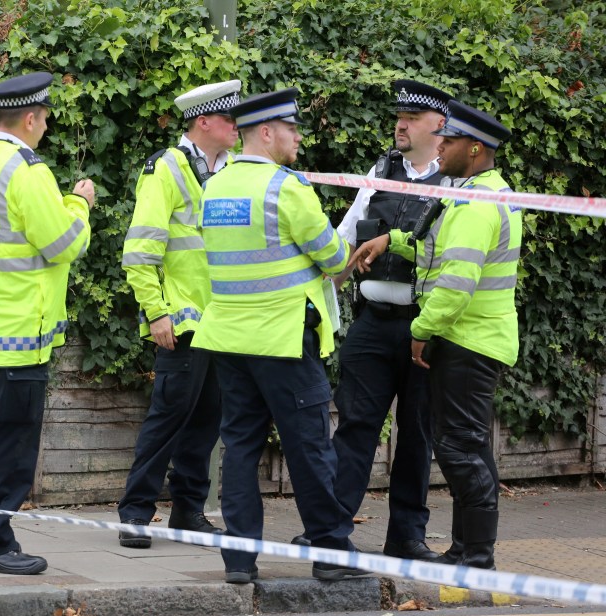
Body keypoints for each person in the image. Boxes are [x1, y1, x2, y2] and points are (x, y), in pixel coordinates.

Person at [192, 88, 366, 583]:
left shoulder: (215, 187)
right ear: (266, 133)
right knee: (310, 447)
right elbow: (333, 257)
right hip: (284, 341)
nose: (298, 138)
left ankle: (239, 562)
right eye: (291, 129)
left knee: (240, 448)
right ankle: (332, 554)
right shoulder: (285, 188)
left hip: (229, 339)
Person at [353, 100, 519, 570]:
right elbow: (435, 250)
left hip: (467, 341)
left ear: (475, 148)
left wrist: (421, 331)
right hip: (477, 339)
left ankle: (478, 556)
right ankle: (467, 550)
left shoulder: (476, 204)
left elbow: (456, 282)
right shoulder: (473, 193)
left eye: (449, 142)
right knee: (467, 446)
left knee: (459, 448)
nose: (440, 147)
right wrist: (393, 239)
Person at [0, 71, 94, 575]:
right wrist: (79, 203)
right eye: (46, 118)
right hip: (19, 333)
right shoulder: (27, 172)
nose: (47, 127)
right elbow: (64, 244)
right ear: (29, 119)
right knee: (9, 444)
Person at [318, 80, 454, 562]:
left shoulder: (456, 184)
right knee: (354, 426)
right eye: (399, 115)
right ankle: (330, 532)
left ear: (439, 126)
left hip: (425, 328)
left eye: (412, 118)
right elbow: (342, 239)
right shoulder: (381, 171)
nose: (400, 123)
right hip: (372, 324)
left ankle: (407, 539)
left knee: (417, 434)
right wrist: (316, 301)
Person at [118, 80, 241, 548]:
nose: (237, 127)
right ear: (204, 122)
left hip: (225, 320)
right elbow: (140, 250)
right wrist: (156, 312)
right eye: (230, 120)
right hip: (182, 322)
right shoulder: (165, 170)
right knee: (168, 418)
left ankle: (189, 511)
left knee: (208, 420)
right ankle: (135, 512)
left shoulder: (233, 170)